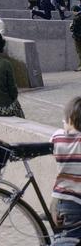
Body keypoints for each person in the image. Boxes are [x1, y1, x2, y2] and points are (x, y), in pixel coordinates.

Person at [50, 96, 81, 241]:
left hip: (62, 199)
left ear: (70, 120)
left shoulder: (57, 137)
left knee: (67, 237)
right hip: (77, 199)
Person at [70, 5, 81, 72]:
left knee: (79, 51)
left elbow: (73, 29)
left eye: (73, 11)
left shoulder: (76, 18)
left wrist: (70, 26)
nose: (73, 12)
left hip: (78, 38)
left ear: (75, 11)